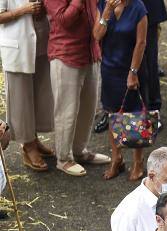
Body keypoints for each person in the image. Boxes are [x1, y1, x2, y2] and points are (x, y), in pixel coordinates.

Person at [44, 0, 111, 177]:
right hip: (66, 54)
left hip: (90, 53)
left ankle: (79, 151)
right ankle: (64, 158)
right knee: (67, 112)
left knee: (88, 109)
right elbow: (63, 20)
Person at [93, 0, 148, 181]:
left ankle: (138, 162)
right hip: (109, 69)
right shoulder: (103, 5)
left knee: (135, 116)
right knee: (112, 114)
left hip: (132, 69)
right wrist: (107, 12)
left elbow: (141, 43)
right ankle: (117, 158)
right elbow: (97, 35)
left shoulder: (138, 8)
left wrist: (133, 72)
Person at [0, 0, 54, 172]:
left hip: (41, 42)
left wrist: (42, 9)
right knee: (20, 99)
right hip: (17, 47)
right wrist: (23, 10)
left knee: (38, 95)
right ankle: (28, 146)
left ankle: (34, 138)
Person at [140, 0, 167, 114]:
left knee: (150, 61)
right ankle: (111, 109)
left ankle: (153, 108)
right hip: (115, 8)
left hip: (148, 8)